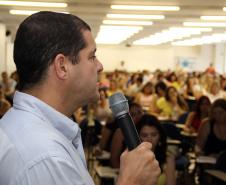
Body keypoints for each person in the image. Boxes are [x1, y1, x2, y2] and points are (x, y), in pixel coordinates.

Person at [0, 11, 160, 185]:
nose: (100, 66)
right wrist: (131, 181)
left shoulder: (27, 129)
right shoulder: (45, 157)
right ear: (62, 67)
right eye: (92, 56)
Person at [137, 114, 176, 185]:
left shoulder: (168, 158)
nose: (149, 139)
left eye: (154, 135)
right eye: (144, 135)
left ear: (160, 136)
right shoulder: (132, 157)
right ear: (138, 137)